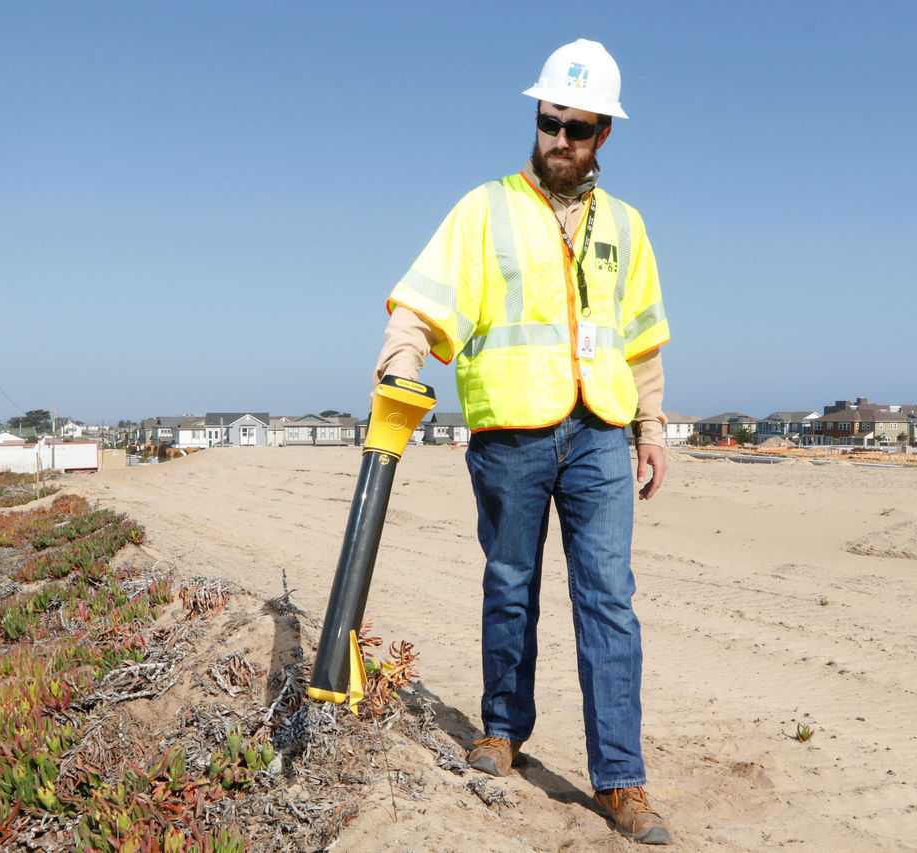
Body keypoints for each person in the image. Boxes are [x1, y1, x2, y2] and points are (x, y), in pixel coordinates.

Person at [373, 39, 671, 845]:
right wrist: (398, 363)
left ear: (604, 133)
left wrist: (650, 428)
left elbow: (642, 340)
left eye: (578, 128)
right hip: (510, 434)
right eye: (549, 122)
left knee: (608, 600)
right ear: (535, 118)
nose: (560, 141)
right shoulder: (485, 209)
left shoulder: (628, 226)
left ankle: (621, 780)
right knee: (510, 584)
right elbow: (425, 303)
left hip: (602, 431)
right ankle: (502, 732)